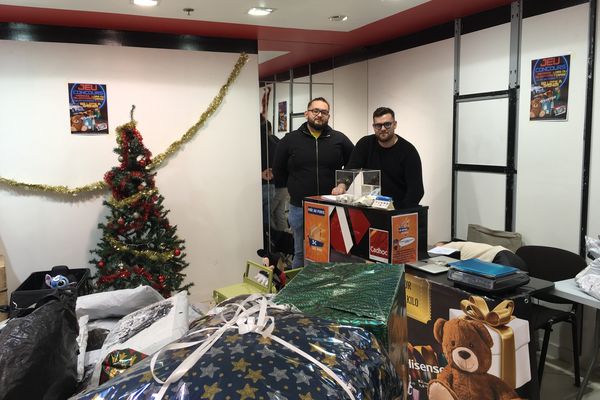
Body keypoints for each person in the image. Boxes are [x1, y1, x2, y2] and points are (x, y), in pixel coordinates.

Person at [273, 97, 354, 268]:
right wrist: (294, 187)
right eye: (315, 111)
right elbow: (278, 169)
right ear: (306, 114)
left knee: (332, 253)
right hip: (299, 208)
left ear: (328, 116)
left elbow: (353, 164)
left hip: (331, 208)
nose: (319, 115)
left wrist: (342, 184)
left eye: (324, 112)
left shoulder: (339, 139)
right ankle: (299, 292)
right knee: (301, 252)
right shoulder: (290, 140)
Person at [332, 106, 424, 209]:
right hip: (372, 208)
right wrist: (341, 186)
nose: (383, 129)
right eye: (378, 125)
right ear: (373, 126)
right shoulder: (365, 144)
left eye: (387, 124)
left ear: (395, 124)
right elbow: (351, 168)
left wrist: (400, 213)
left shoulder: (408, 151)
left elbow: (416, 191)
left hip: (397, 210)